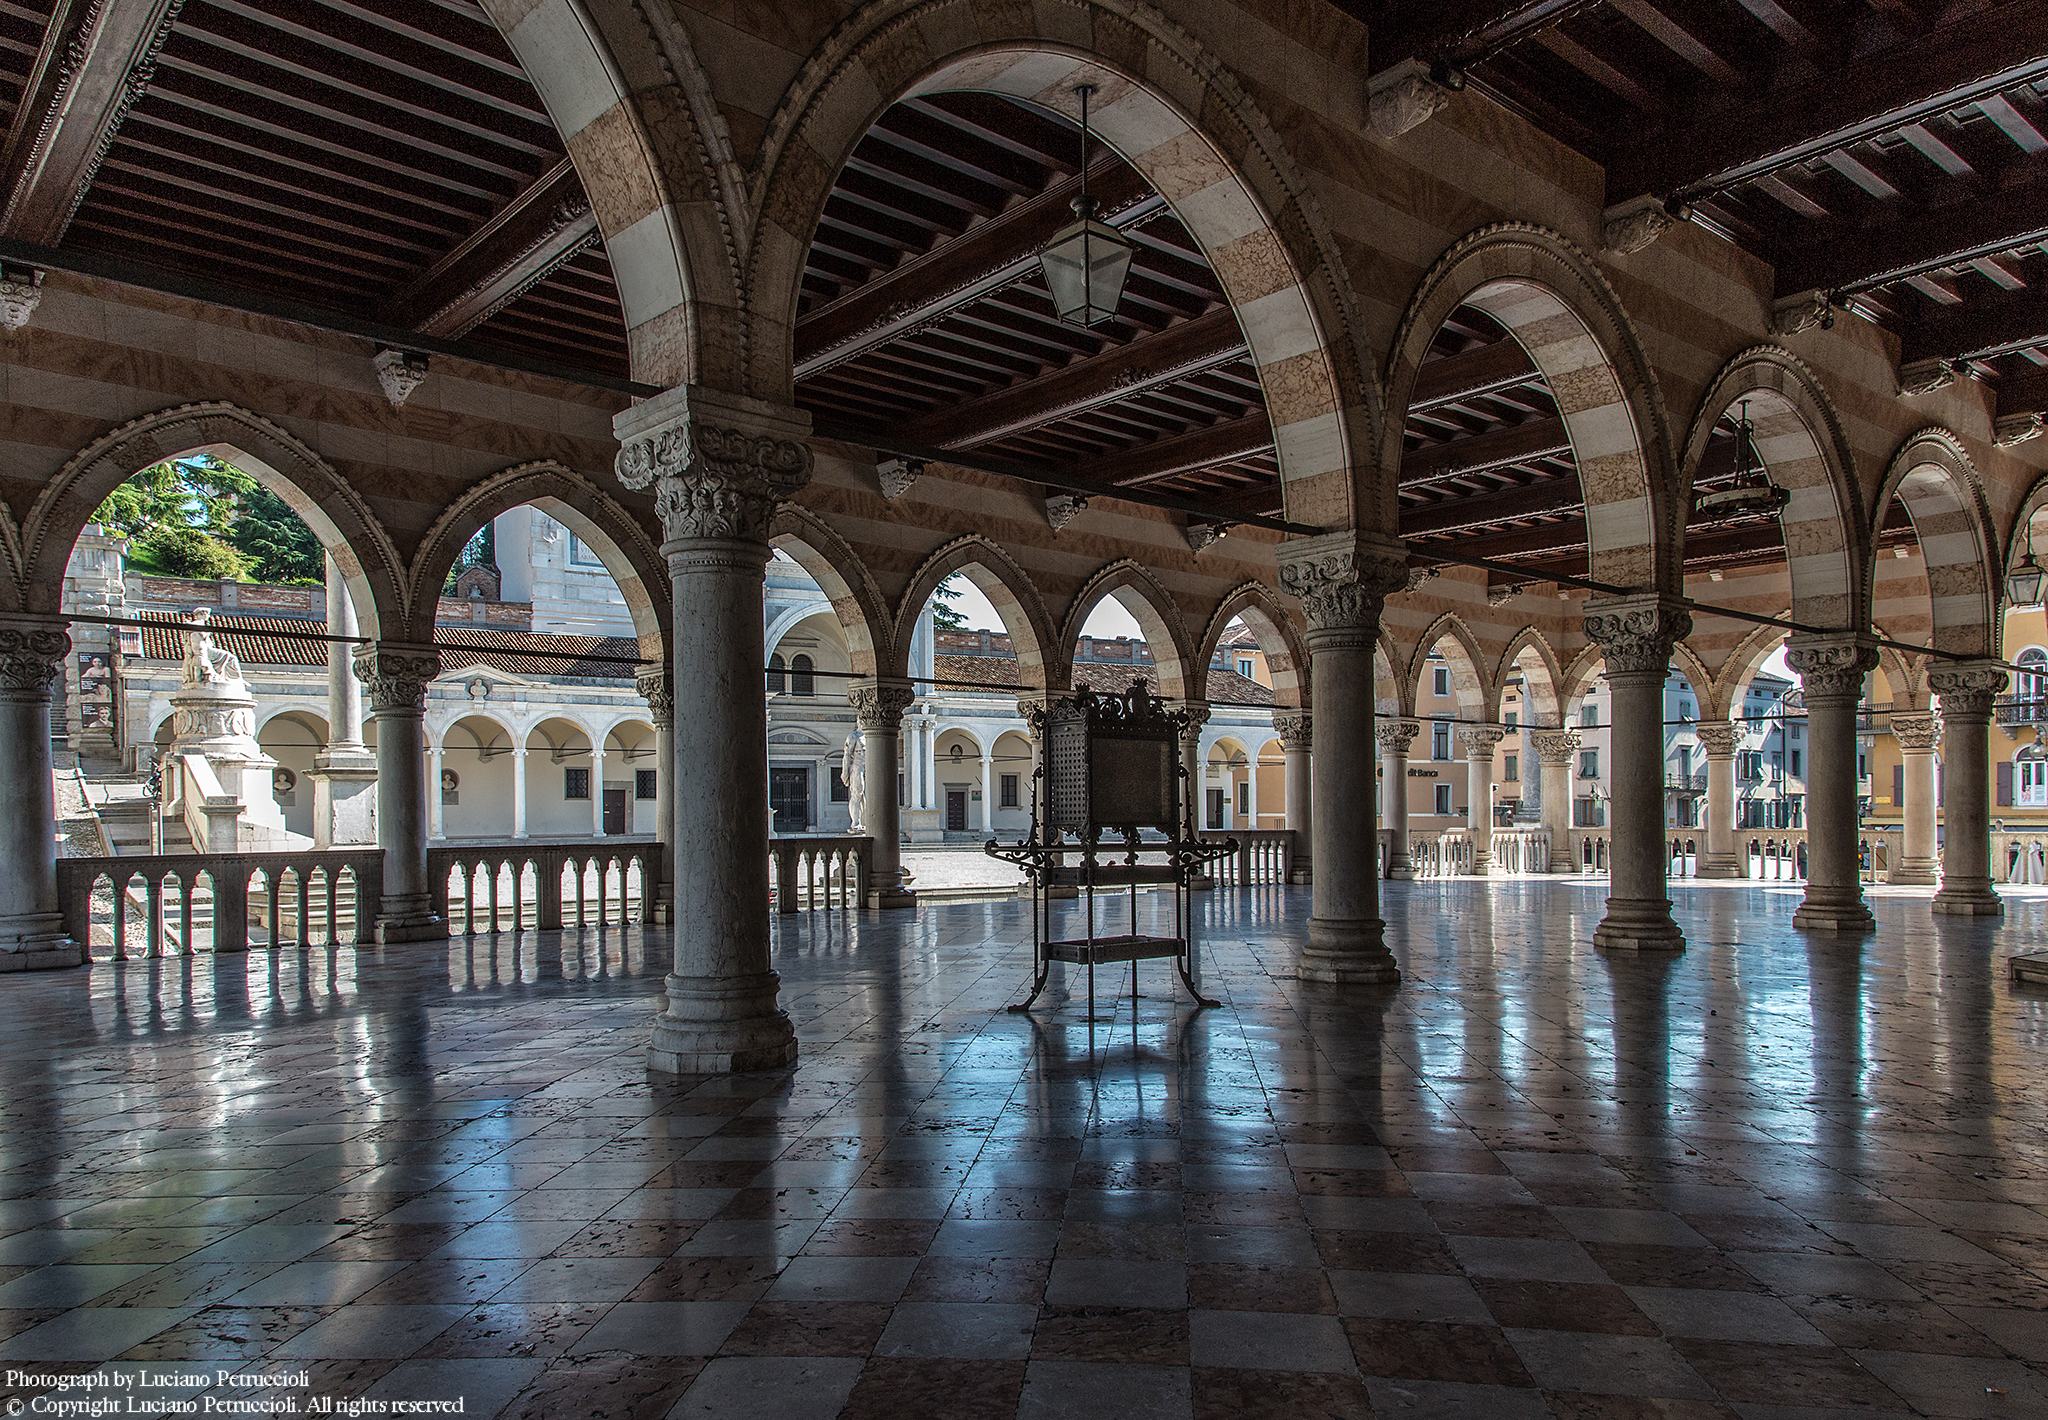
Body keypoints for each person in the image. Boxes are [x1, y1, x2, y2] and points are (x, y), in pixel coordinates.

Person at [180, 607, 244, 687]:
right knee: (231, 657)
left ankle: (233, 679)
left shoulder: (198, 624)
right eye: (208, 614)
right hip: (205, 651)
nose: (209, 616)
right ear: (204, 614)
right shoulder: (198, 623)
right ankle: (236, 679)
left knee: (230, 657)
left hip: (203, 650)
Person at [842, 729, 866, 833]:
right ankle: (855, 823)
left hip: (870, 764)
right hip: (858, 764)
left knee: (868, 796)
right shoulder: (853, 736)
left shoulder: (870, 735)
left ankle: (867, 821)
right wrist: (845, 772)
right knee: (857, 793)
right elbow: (847, 755)